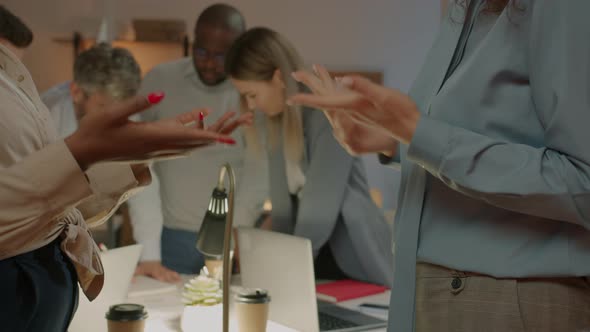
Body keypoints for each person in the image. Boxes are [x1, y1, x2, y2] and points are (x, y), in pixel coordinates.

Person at [289, 0, 590, 331]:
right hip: (432, 292)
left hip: (505, 301)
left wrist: (417, 133)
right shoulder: (466, 12)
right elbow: (456, 142)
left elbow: (582, 182)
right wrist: (391, 139)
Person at [0, 5, 249, 331]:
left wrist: (146, 154)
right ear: (78, 92)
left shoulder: (19, 93)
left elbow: (56, 205)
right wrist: (80, 154)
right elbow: (28, 202)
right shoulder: (48, 110)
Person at [224, 27, 393, 286]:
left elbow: (320, 205)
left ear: (278, 77)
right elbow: (281, 205)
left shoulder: (327, 113)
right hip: (309, 249)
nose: (251, 105)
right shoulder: (276, 122)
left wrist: (289, 270)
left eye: (252, 95)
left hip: (353, 252)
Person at [131, 3, 268, 282]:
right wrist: (149, 247)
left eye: (221, 55)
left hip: (230, 236)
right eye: (202, 51)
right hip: (169, 235)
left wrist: (238, 231)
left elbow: (259, 169)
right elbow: (138, 159)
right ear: (192, 41)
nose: (208, 63)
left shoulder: (252, 92)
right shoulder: (161, 79)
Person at [42, 43, 141, 138]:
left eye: (122, 109)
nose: (116, 118)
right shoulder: (44, 121)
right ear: (76, 92)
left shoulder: (129, 114)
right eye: (104, 108)